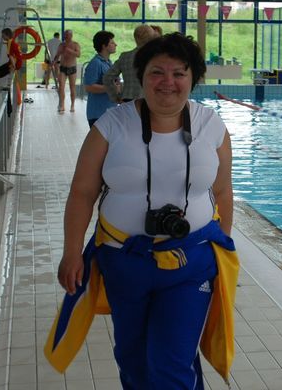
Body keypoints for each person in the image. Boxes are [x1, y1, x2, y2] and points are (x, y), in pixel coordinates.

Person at [48, 33, 238, 388]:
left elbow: (223, 192)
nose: (168, 82)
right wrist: (71, 252)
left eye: (179, 73)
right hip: (124, 260)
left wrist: (222, 249)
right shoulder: (112, 125)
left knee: (170, 362)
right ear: (141, 75)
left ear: (193, 78)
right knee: (133, 358)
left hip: (191, 262)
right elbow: (82, 193)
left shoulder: (211, 125)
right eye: (157, 72)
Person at [103, 24, 160, 104]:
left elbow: (107, 77)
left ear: (135, 38)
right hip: (150, 100)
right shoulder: (157, 57)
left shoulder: (125, 56)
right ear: (151, 38)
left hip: (128, 100)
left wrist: (115, 97)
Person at [83, 30, 117, 127]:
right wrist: (110, 88)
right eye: (112, 43)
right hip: (98, 114)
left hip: (109, 111)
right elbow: (89, 87)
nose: (116, 44)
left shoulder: (108, 63)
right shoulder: (96, 63)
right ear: (104, 46)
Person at [54, 29, 80, 112]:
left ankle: (72, 105)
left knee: (72, 87)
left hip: (72, 68)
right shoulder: (61, 45)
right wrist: (53, 62)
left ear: (71, 36)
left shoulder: (75, 44)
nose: (65, 37)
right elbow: (57, 55)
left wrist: (70, 51)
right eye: (64, 35)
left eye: (67, 35)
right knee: (61, 87)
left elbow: (78, 54)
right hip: (63, 68)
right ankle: (62, 105)